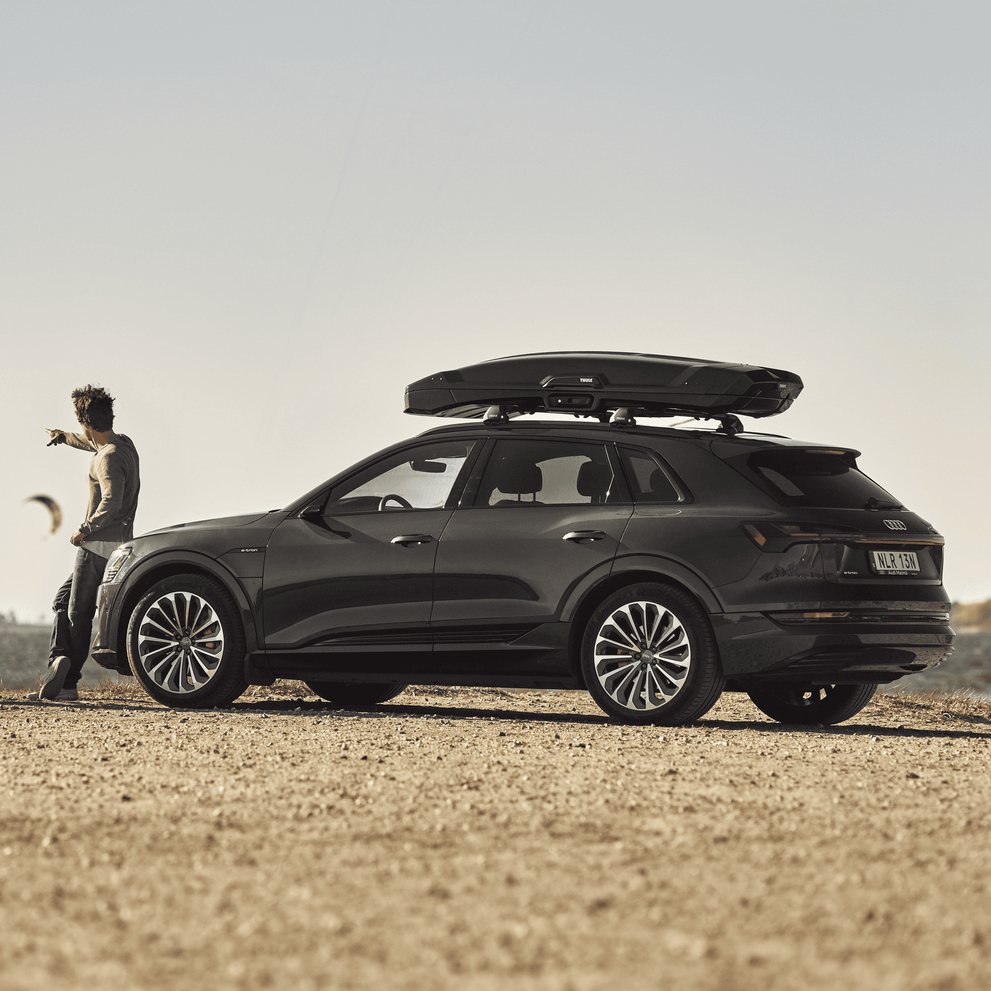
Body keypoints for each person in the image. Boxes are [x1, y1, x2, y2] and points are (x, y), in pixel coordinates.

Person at [30, 385, 140, 701]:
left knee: (78, 612)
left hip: (95, 547)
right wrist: (64, 436)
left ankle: (66, 680)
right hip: (121, 548)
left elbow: (112, 502)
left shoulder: (104, 460)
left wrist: (84, 529)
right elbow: (91, 441)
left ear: (87, 423)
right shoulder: (125, 446)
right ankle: (60, 660)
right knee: (64, 601)